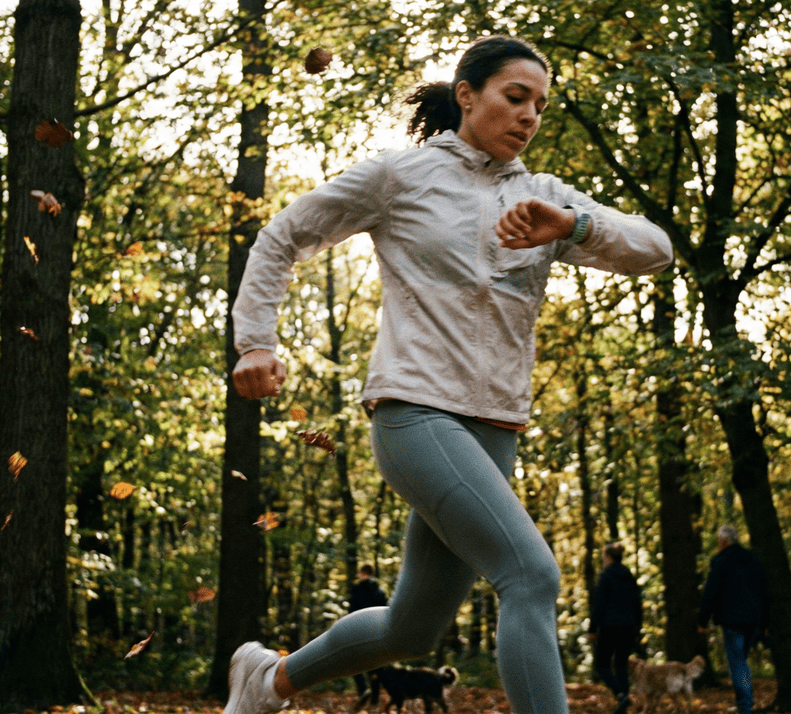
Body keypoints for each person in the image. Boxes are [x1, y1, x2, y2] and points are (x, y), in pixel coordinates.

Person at [225, 34, 673, 714]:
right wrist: (256, 341)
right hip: (415, 412)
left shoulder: (543, 196)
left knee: (413, 628)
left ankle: (269, 682)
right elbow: (284, 234)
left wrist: (572, 225)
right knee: (530, 576)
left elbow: (655, 250)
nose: (529, 117)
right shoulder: (400, 177)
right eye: (514, 98)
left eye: (540, 107)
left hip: (495, 428)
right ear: (467, 95)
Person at [698, 525, 769, 714]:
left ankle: (745, 707)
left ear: (723, 541)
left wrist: (702, 621)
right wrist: (765, 623)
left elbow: (710, 592)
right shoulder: (753, 560)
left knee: (738, 664)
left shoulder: (721, 561)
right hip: (752, 620)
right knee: (741, 662)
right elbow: (764, 592)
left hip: (732, 621)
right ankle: (744, 704)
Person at [588, 543, 642, 714]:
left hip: (610, 627)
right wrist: (638, 627)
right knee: (621, 664)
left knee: (601, 664)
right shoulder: (629, 576)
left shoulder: (605, 576)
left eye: (604, 557)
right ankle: (623, 701)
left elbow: (599, 604)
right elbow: (637, 604)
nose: (603, 560)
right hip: (628, 627)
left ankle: (620, 695)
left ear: (609, 557)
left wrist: (592, 628)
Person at [348, 564, 389, 700]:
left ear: (365, 574)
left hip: (361, 630)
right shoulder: (379, 591)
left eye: (361, 573)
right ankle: (373, 698)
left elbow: (352, 612)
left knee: (356, 662)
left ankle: (364, 691)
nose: (359, 575)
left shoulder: (359, 590)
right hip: (374, 631)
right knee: (373, 664)